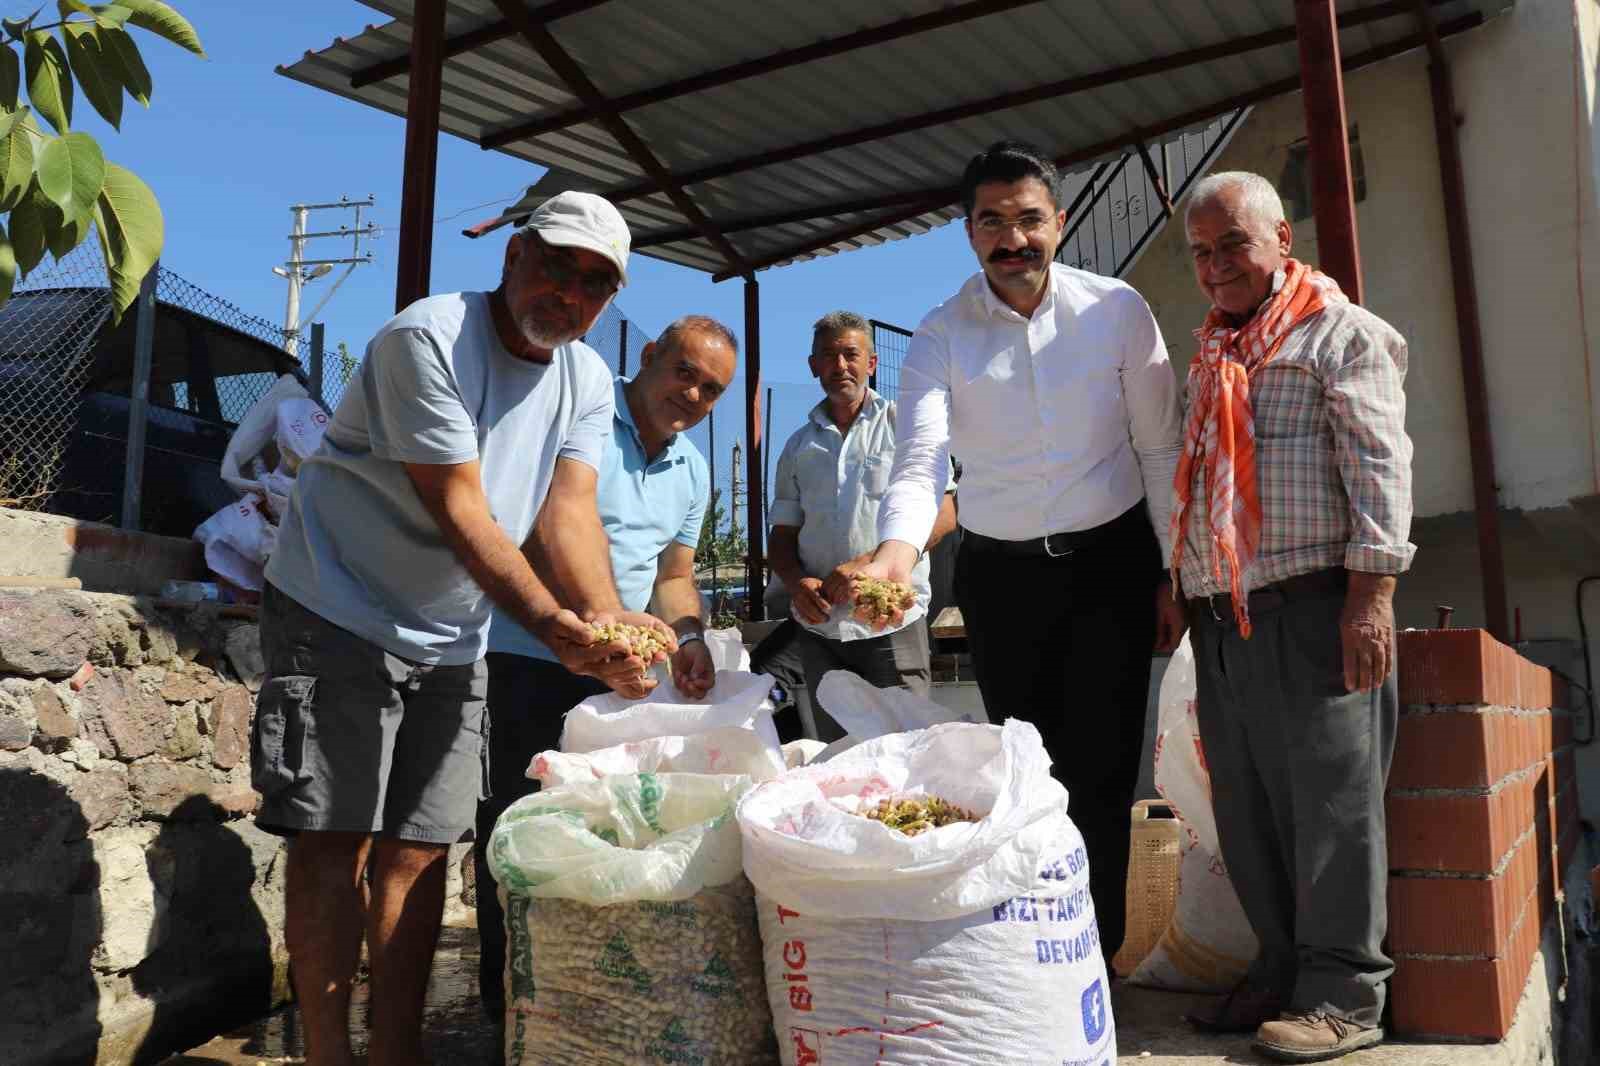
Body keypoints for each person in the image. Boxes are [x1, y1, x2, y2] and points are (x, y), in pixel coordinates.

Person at [254, 191, 675, 1066]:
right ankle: (331, 1054)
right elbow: (462, 508)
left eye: (596, 284)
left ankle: (395, 1054)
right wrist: (554, 623)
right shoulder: (428, 338)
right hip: (340, 602)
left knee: (420, 848)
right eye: (558, 264)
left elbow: (568, 513)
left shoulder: (588, 379)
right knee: (336, 840)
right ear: (516, 255)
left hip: (452, 633)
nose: (570, 293)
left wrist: (606, 625)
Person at [856, 141, 1187, 968]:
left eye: (1029, 219)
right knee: (1026, 770)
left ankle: (1094, 959)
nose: (1014, 240)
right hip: (1001, 577)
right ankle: (1034, 953)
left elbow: (1159, 450)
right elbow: (923, 459)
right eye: (992, 222)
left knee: (1106, 770)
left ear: (1060, 222)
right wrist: (897, 554)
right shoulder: (939, 335)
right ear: (968, 232)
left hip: (1111, 563)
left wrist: (1177, 571)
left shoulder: (1117, 310)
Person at [1173, 172, 1413, 1062]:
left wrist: (1372, 597)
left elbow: (1381, 469)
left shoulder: (1341, 334)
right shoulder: (1212, 352)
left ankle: (1347, 996)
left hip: (1316, 607)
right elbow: (1198, 488)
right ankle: (1278, 971)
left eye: (1233, 244)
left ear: (1280, 237)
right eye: (1201, 252)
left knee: (1332, 809)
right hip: (1225, 617)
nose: (1217, 266)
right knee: (1248, 808)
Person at [474, 314, 738, 1031]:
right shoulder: (583, 414)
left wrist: (688, 638)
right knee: (511, 821)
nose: (692, 395)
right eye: (684, 372)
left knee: (596, 830)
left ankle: (575, 992)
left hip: (617, 672)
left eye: (711, 390)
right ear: (649, 355)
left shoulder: (694, 468)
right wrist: (600, 616)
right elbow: (534, 530)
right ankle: (507, 1006)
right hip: (527, 653)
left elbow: (676, 577)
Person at [766, 311, 957, 741]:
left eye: (851, 354)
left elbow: (945, 512)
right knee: (841, 757)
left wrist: (871, 562)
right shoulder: (798, 447)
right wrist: (798, 584)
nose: (840, 366)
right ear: (813, 366)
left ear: (871, 363)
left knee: (906, 749)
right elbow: (781, 539)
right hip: (820, 629)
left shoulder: (903, 427)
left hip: (890, 621)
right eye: (828, 356)